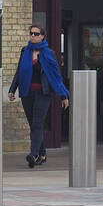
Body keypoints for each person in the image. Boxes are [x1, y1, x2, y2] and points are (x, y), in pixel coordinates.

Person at [8, 22, 69, 167]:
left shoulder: (49, 53)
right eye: (31, 34)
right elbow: (19, 72)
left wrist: (64, 95)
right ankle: (42, 153)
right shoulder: (25, 51)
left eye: (36, 34)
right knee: (34, 125)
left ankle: (33, 154)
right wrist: (12, 90)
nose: (33, 36)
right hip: (27, 92)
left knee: (37, 123)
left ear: (42, 36)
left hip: (43, 93)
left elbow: (56, 76)